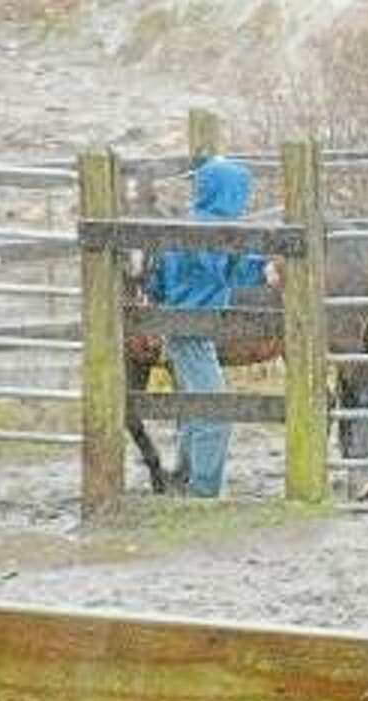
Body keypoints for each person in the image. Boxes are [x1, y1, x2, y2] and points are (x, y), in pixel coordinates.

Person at [147, 156, 281, 497]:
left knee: (197, 407)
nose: (244, 201)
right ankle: (202, 493)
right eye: (240, 193)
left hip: (188, 330)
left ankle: (183, 479)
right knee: (217, 414)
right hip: (191, 333)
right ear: (227, 194)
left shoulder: (190, 224)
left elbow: (161, 280)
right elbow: (223, 264)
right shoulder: (210, 230)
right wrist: (261, 266)